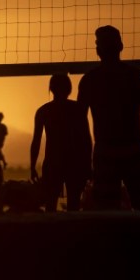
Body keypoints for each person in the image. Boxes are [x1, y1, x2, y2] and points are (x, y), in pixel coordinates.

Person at [77, 25, 140, 210]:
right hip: (127, 150)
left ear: (98, 50)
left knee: (108, 211)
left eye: (100, 44)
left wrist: (84, 157)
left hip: (109, 151)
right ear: (120, 46)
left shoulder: (90, 80)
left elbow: (80, 123)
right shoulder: (137, 76)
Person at [31, 73, 93, 212]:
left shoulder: (43, 111)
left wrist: (33, 166)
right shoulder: (78, 109)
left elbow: (36, 141)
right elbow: (86, 139)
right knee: (74, 204)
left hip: (53, 162)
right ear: (69, 89)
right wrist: (88, 164)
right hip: (74, 164)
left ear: (51, 89)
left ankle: (51, 233)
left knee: (50, 204)